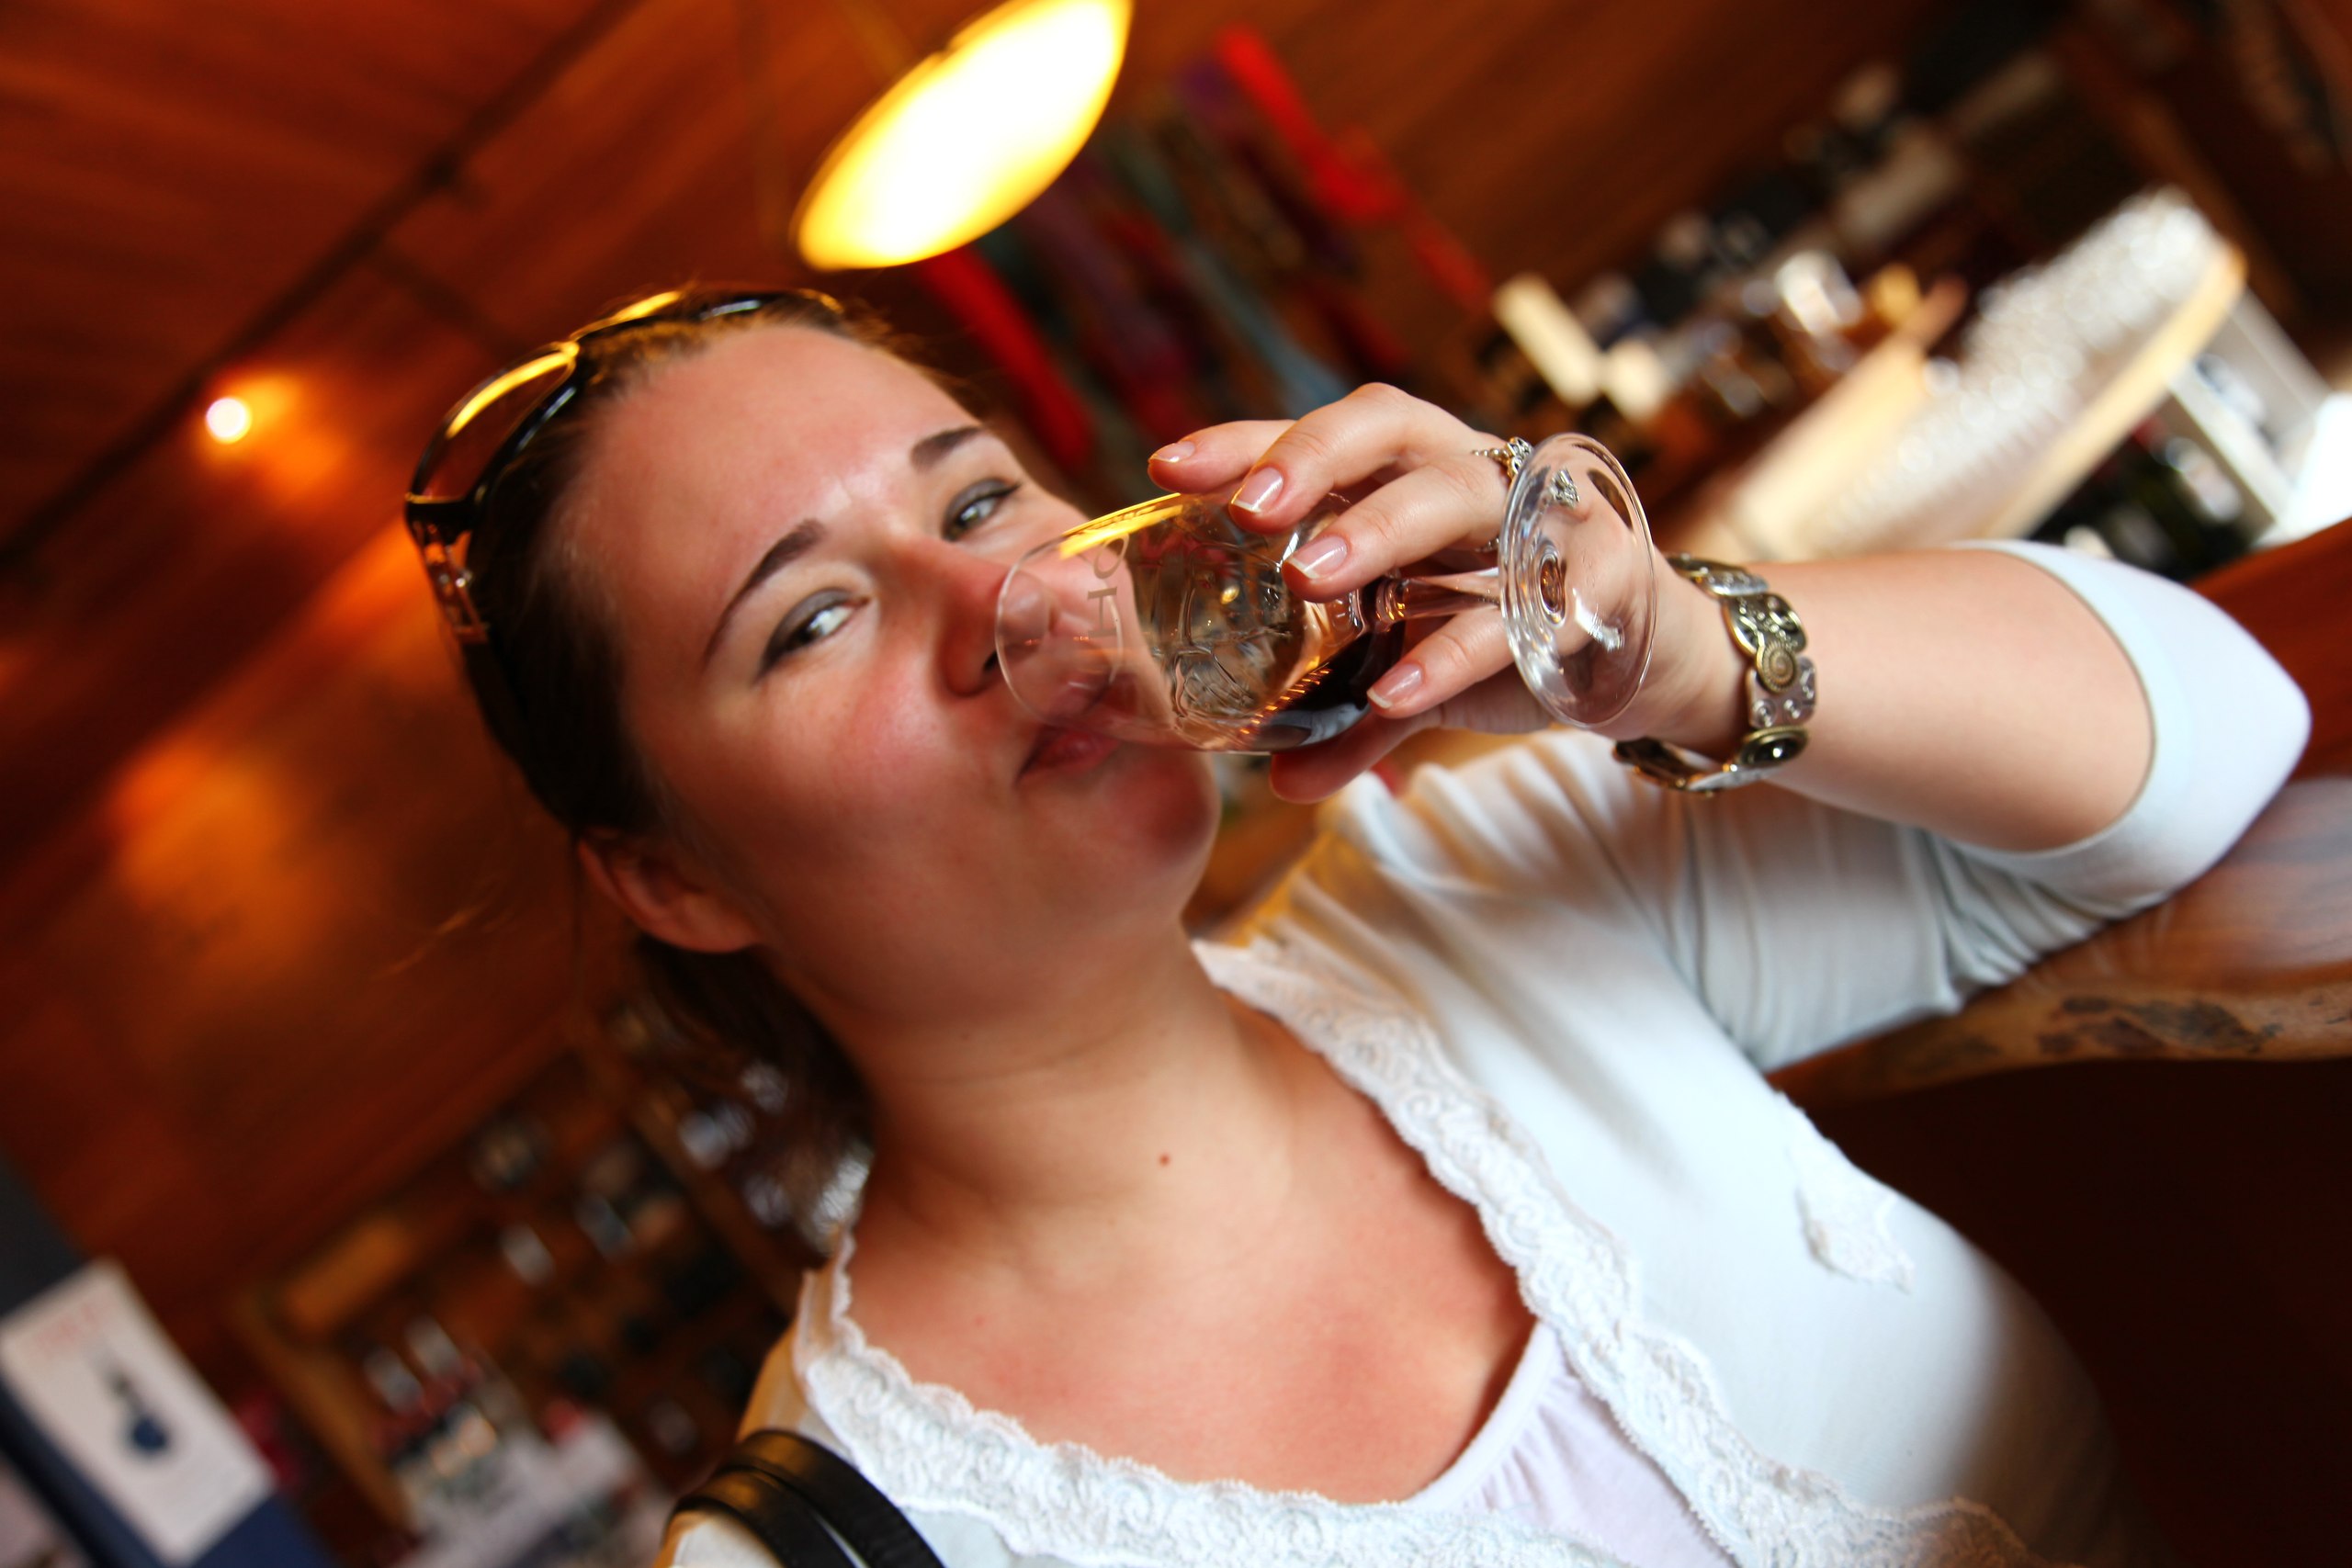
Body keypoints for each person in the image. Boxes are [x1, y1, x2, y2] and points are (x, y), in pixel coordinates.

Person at [405, 288, 2307, 1568]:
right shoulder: (848, 1537)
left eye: (977, 498)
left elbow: (2214, 732)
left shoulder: (1472, 894)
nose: (993, 603)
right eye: (810, 619)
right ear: (675, 880)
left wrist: (1648, 645)